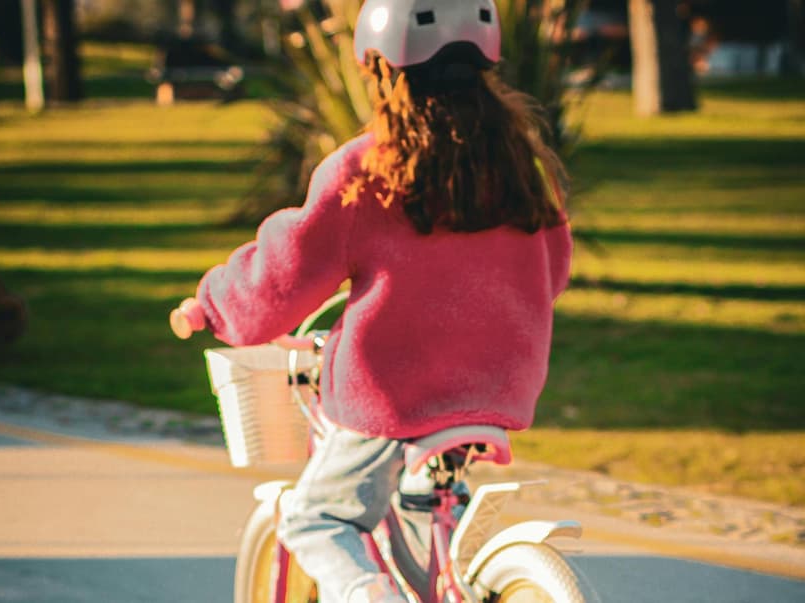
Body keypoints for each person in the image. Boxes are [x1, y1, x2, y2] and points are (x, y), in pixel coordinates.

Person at [187, 0, 572, 600]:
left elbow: (284, 275)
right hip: (501, 387)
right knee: (430, 509)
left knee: (317, 517)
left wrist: (213, 304)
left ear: (381, 71)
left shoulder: (368, 171)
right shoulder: (523, 166)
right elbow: (555, 270)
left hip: (396, 399)